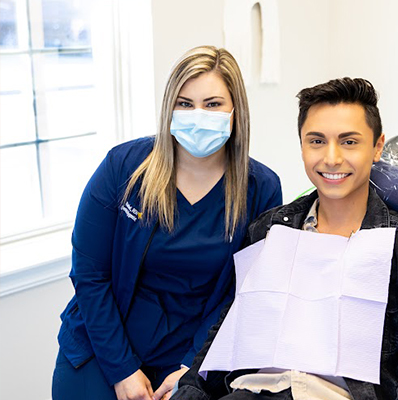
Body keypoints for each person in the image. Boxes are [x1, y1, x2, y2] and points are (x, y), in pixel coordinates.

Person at [171, 78, 398, 400]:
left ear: (377, 147)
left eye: (349, 142)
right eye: (317, 141)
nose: (332, 158)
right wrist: (191, 387)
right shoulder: (268, 232)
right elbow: (228, 332)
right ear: (302, 146)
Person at [51, 45, 282, 400]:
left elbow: (244, 292)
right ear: (169, 108)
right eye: (185, 103)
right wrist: (122, 369)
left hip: (190, 358)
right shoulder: (123, 167)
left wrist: (194, 367)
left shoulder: (260, 188)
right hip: (104, 346)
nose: (198, 114)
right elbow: (89, 273)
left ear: (236, 110)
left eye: (213, 104)